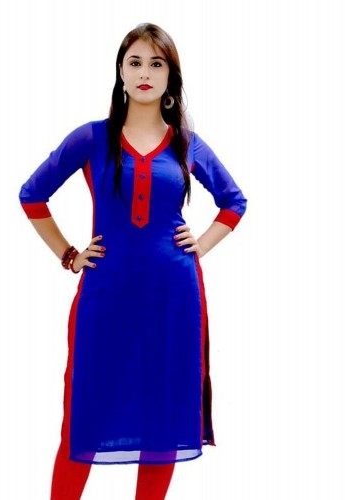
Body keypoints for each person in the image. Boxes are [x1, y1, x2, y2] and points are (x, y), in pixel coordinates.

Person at [19, 22, 247, 500]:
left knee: (162, 417)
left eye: (156, 64)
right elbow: (32, 195)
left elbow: (234, 202)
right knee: (83, 416)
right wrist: (69, 255)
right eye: (135, 62)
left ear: (170, 76)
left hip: (173, 299)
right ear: (121, 72)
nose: (145, 73)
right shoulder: (91, 138)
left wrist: (202, 244)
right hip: (105, 295)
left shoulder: (186, 142)